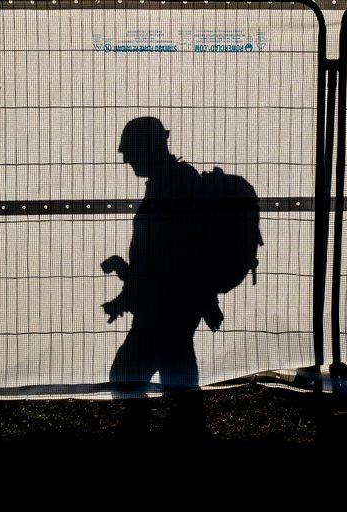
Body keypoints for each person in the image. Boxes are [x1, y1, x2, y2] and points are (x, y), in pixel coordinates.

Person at [101, 116, 220, 436]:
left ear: (148, 148)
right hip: (173, 301)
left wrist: (130, 282)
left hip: (170, 302)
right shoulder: (171, 181)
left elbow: (176, 253)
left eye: (130, 152)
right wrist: (126, 285)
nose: (126, 159)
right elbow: (160, 257)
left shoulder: (174, 185)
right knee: (174, 368)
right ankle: (184, 429)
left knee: (128, 372)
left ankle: (142, 429)